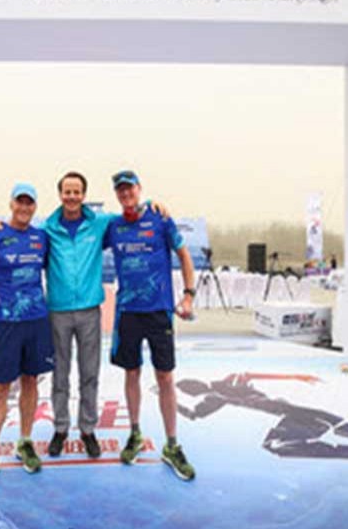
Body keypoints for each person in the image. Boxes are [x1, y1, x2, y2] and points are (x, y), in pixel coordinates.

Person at [0, 173, 168, 460]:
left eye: (77, 192)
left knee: (90, 374)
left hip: (89, 311)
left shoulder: (99, 224)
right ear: (60, 194)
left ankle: (87, 429)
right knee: (60, 375)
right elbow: (21, 235)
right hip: (57, 311)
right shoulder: (47, 229)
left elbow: (129, 213)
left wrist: (150, 203)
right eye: (67, 192)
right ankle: (60, 429)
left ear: (84, 195)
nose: (72, 197)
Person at [103, 170, 197, 481]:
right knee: (132, 373)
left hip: (159, 311)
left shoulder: (160, 219)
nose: (126, 194)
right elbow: (80, 232)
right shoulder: (113, 226)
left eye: (130, 189)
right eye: (121, 190)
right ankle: (134, 434)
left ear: (139, 190)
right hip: (128, 312)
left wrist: (188, 295)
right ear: (117, 195)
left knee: (165, 377)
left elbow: (184, 256)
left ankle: (172, 444)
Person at [0, 183, 53, 494]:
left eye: (30, 203)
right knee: (0, 388)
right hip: (5, 324)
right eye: (20, 202)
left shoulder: (40, 238)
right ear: (11, 203)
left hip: (36, 320)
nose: (25, 208)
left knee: (31, 382)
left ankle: (25, 442)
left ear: (34, 207)